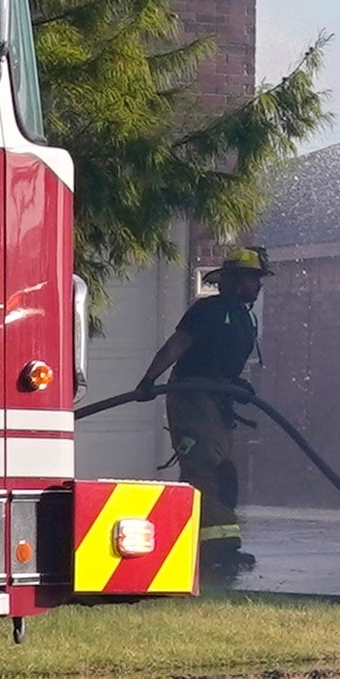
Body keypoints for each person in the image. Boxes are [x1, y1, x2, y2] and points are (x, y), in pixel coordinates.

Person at [129, 251, 266, 587]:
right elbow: (179, 343)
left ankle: (205, 545)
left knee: (220, 471)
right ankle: (215, 551)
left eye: (259, 278)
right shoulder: (207, 311)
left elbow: (223, 360)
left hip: (216, 401)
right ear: (233, 281)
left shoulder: (244, 318)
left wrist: (235, 383)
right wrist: (149, 379)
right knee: (204, 470)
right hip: (192, 398)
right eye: (252, 278)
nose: (258, 285)